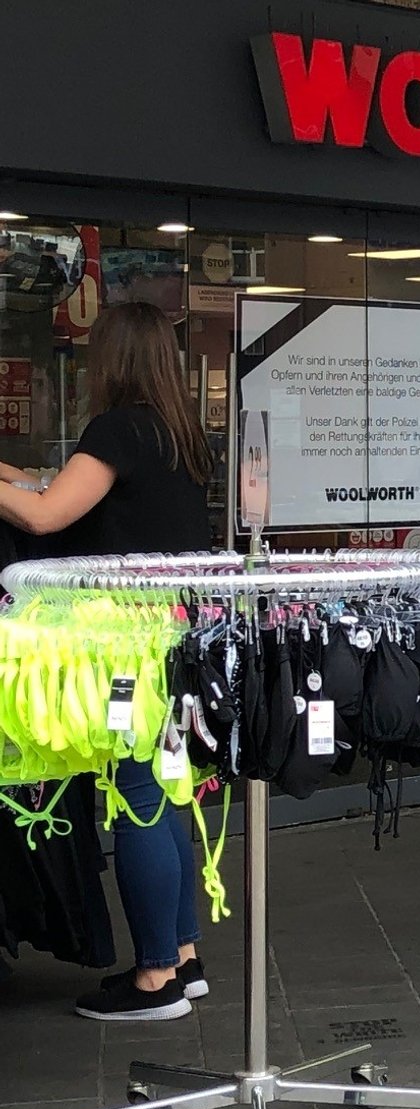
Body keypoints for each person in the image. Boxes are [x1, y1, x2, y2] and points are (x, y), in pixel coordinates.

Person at [0, 302, 212, 1021]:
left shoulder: (118, 429)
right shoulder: (179, 435)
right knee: (168, 793)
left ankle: (155, 977)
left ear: (113, 358)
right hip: (176, 636)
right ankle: (183, 955)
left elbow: (43, 514)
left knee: (138, 801)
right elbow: (54, 488)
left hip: (124, 646)